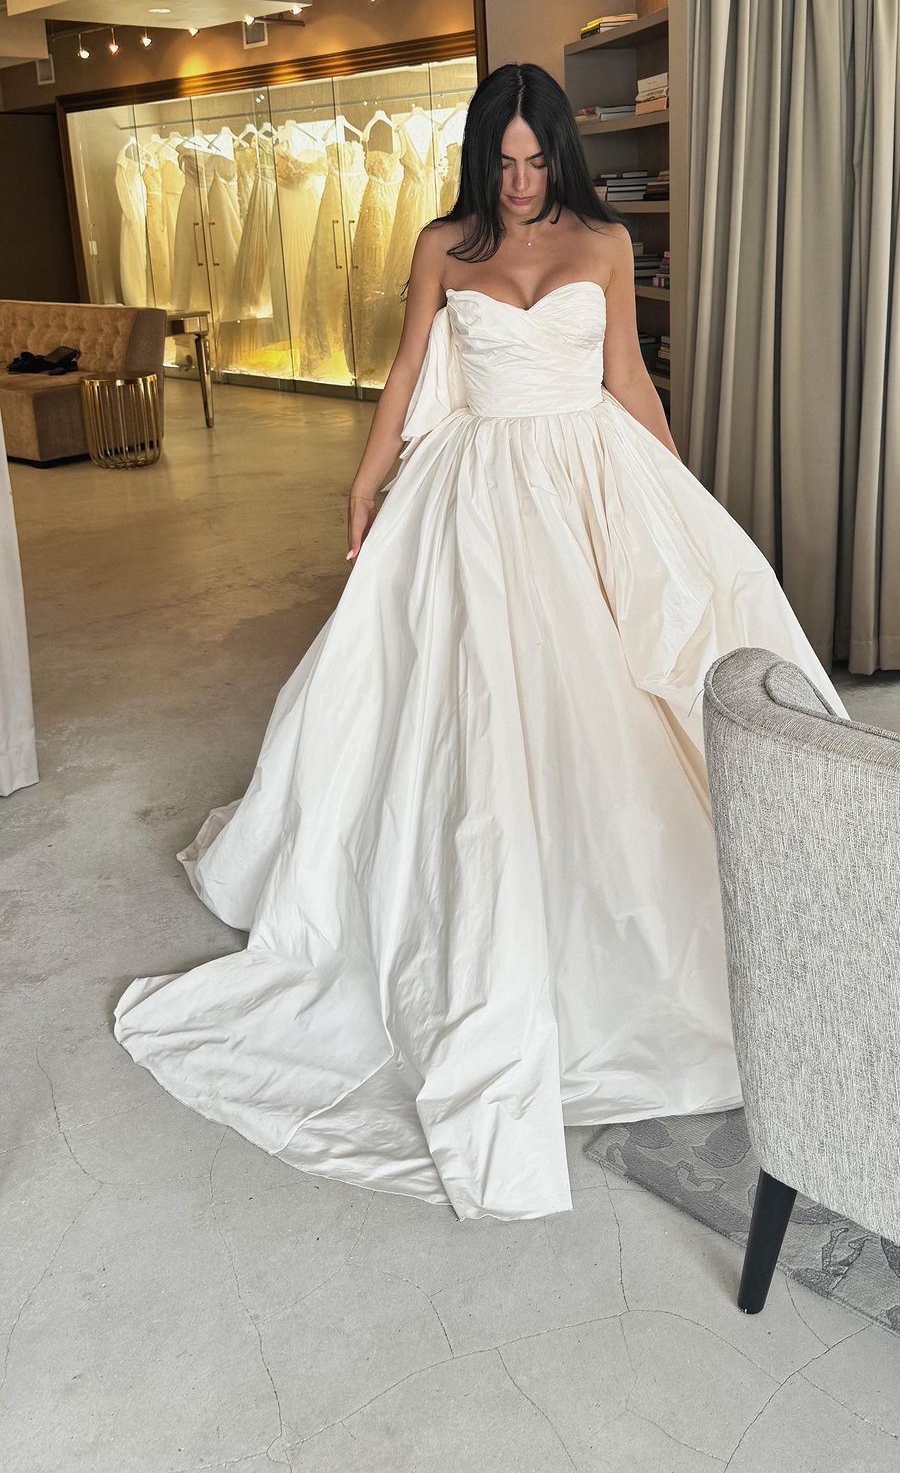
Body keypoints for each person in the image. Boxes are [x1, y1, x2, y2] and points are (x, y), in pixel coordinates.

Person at [114, 62, 846, 1223]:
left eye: (536, 161)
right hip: (476, 490)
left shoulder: (605, 243)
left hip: (585, 473)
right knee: (466, 703)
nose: (518, 182)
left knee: (614, 702)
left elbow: (627, 379)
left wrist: (681, 501)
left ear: (561, 155)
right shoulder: (442, 246)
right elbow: (409, 368)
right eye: (501, 163)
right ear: (479, 160)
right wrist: (364, 482)